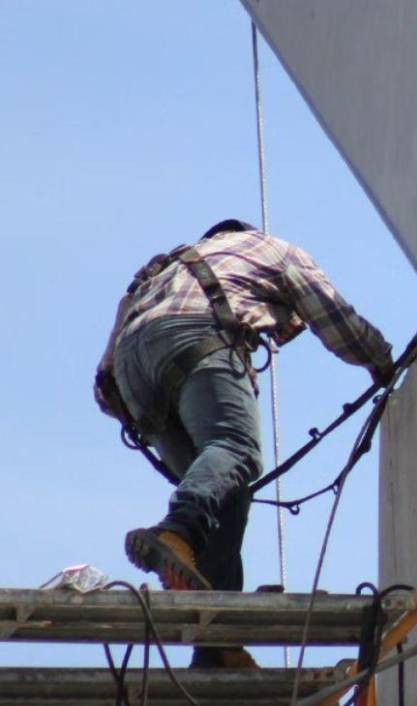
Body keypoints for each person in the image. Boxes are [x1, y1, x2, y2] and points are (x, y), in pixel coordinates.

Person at [95, 219, 394, 668]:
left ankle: (216, 645)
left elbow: (105, 388)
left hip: (129, 379)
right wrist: (382, 361)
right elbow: (336, 321)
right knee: (237, 450)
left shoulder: (160, 274)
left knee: (225, 496)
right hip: (193, 337)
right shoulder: (270, 248)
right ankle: (176, 531)